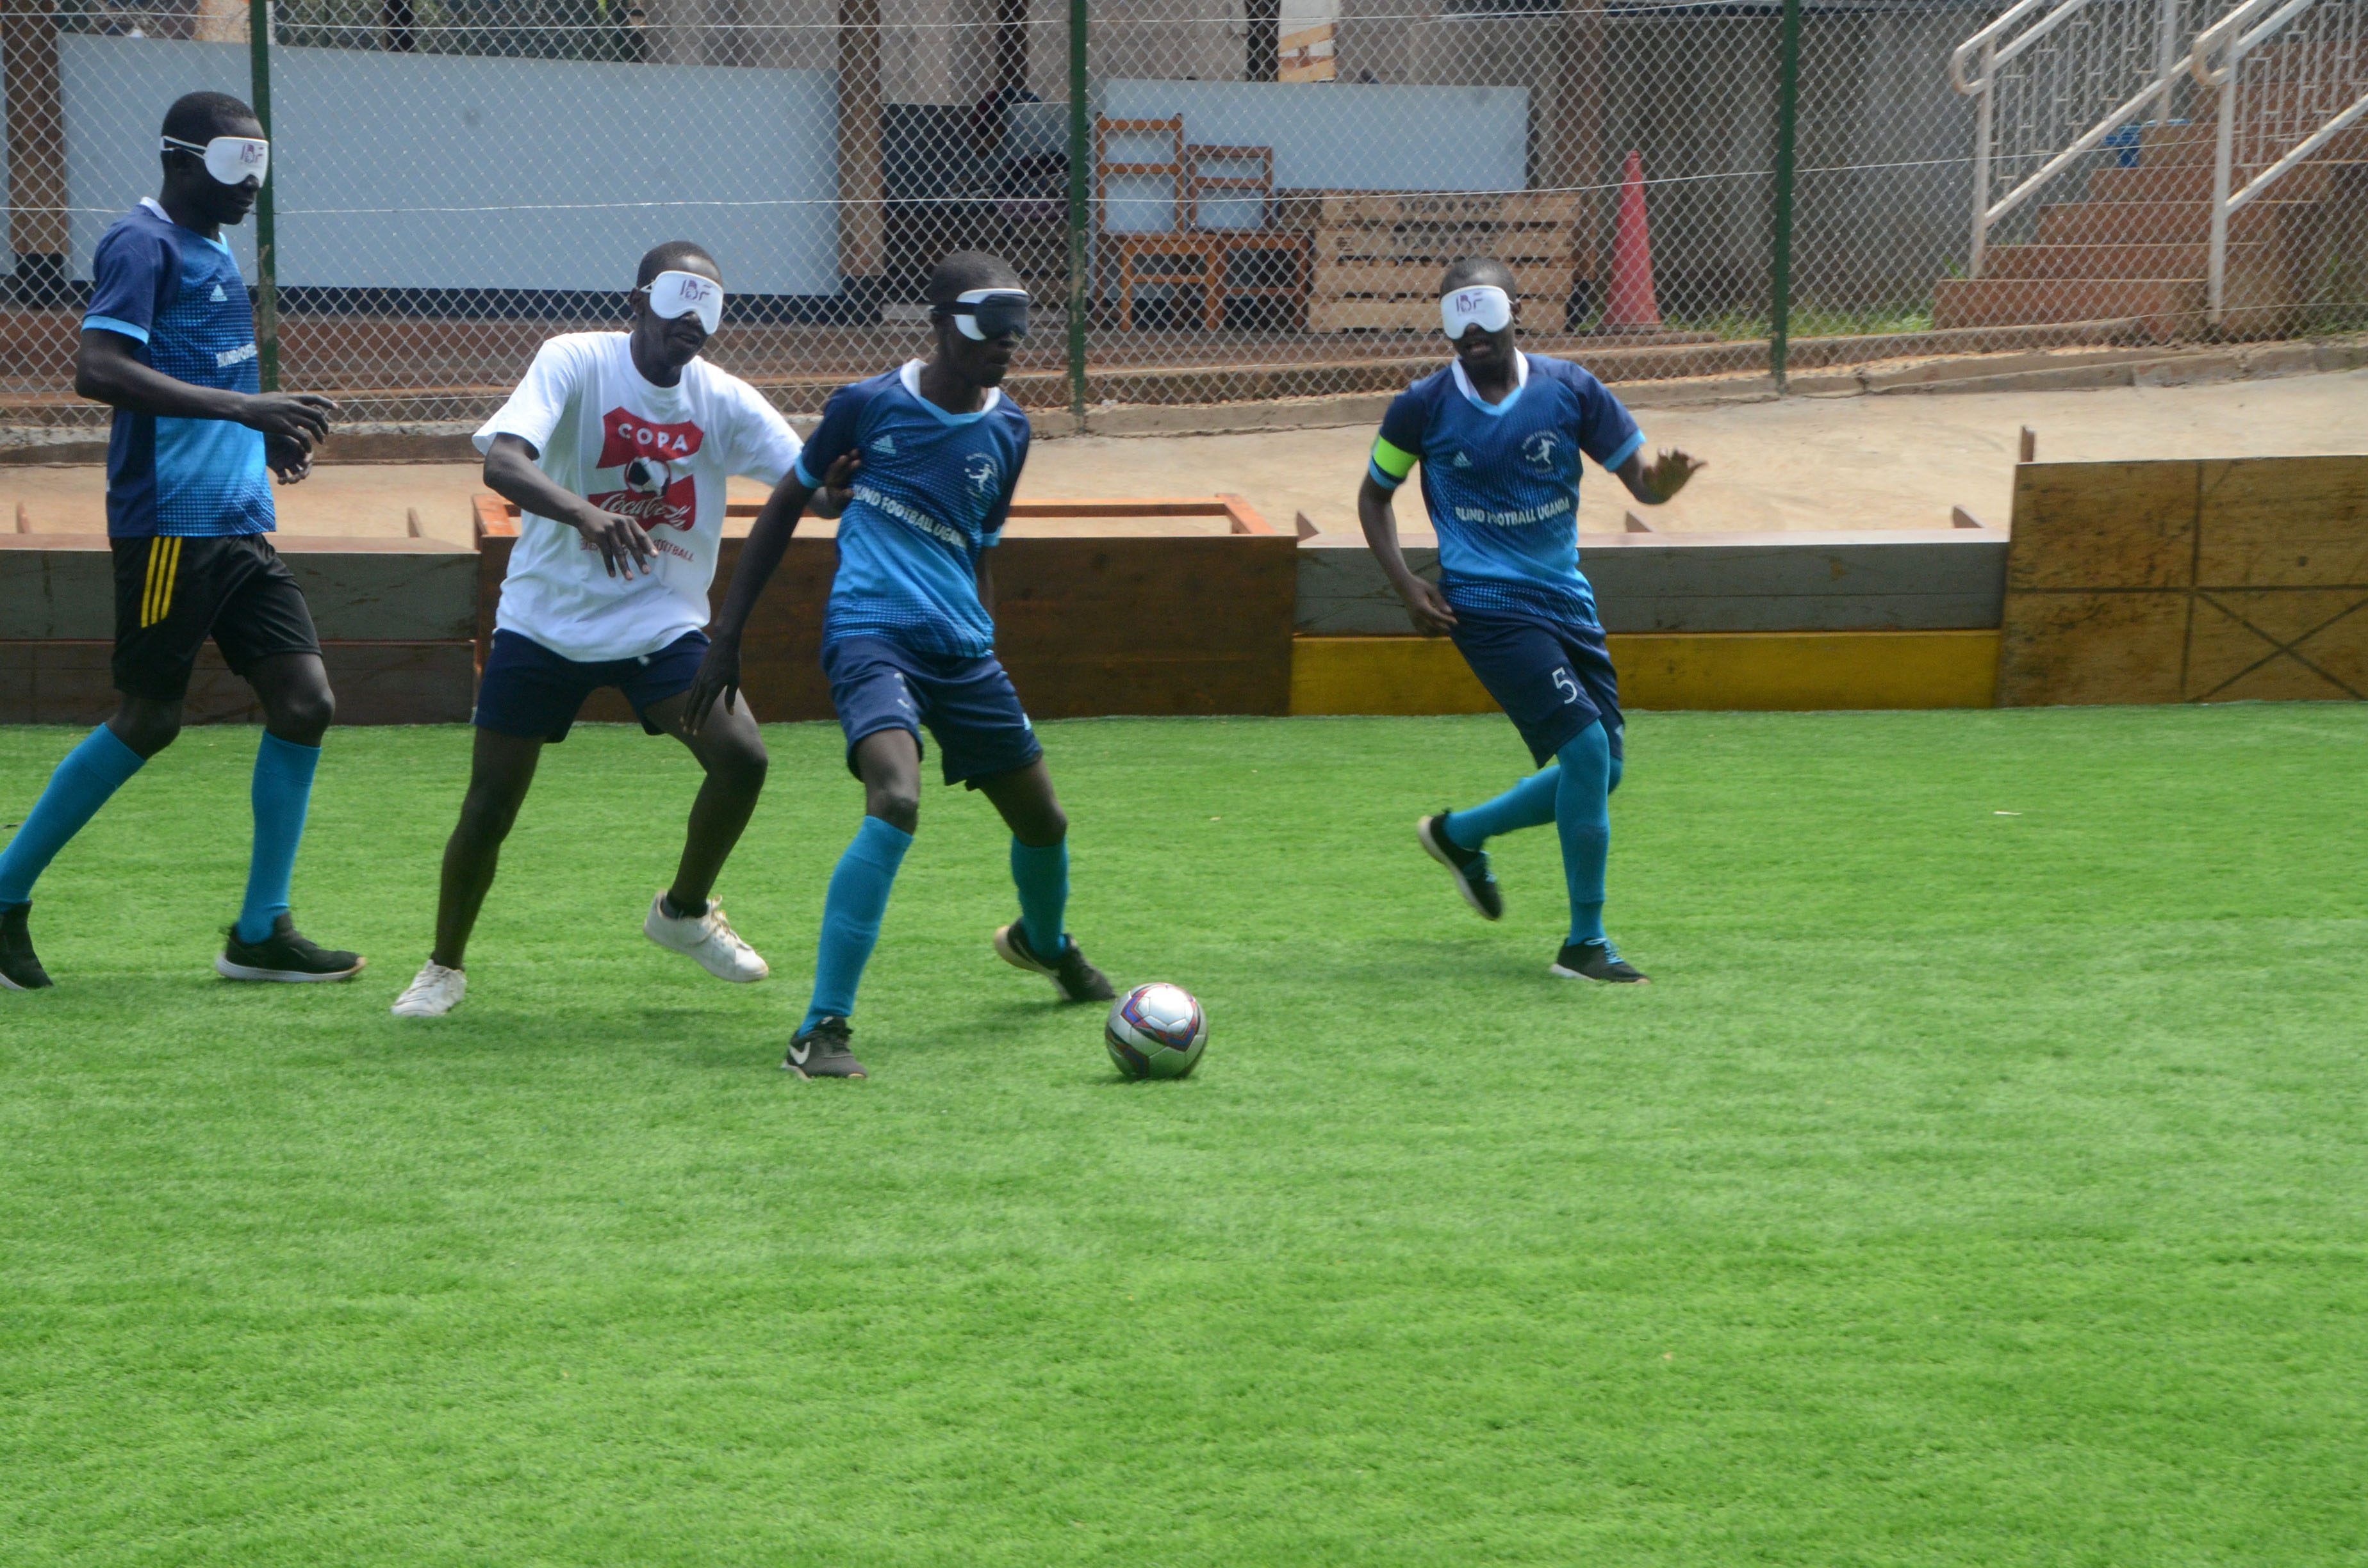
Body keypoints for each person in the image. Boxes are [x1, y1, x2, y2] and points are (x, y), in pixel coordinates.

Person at [388, 241, 848, 1018]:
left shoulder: (723, 400)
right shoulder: (574, 360)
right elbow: (503, 462)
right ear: (636, 302)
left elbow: (818, 491)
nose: (688, 327)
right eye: (675, 307)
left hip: (658, 627)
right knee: (489, 808)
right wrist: (585, 513)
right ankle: (444, 968)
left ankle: (684, 913)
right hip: (545, 621)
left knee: (741, 758)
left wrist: (856, 464)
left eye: (704, 317)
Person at [686, 250, 1113, 1080]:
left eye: (1020, 323)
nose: (1009, 341)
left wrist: (983, 638)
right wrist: (726, 634)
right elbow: (785, 506)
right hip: (870, 634)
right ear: (940, 322)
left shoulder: (1010, 429)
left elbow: (982, 545)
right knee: (896, 797)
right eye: (990, 323)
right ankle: (820, 1031)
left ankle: (1044, 945)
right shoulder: (867, 406)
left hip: (961, 649)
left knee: (1046, 825)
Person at [0, 90, 355, 990]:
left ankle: (259, 930)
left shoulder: (215, 242)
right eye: (236, 169)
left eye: (260, 170)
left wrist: (260, 435)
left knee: (306, 702)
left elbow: (199, 366)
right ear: (179, 160)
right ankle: (3, 894)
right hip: (169, 525)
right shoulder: (140, 243)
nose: (251, 189)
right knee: (150, 718)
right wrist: (246, 406)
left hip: (235, 519)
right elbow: (100, 370)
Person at [1357, 257, 1703, 984]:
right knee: (1584, 752)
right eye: (1456, 311)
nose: (1472, 325)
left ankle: (1459, 836)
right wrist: (1405, 586)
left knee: (1603, 771)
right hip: (1484, 607)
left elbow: (1639, 480)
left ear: (1518, 310)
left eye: (1483, 307)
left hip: (1566, 601)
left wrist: (1661, 490)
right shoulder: (1419, 407)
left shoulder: (1571, 390)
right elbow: (1374, 496)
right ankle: (1586, 944)